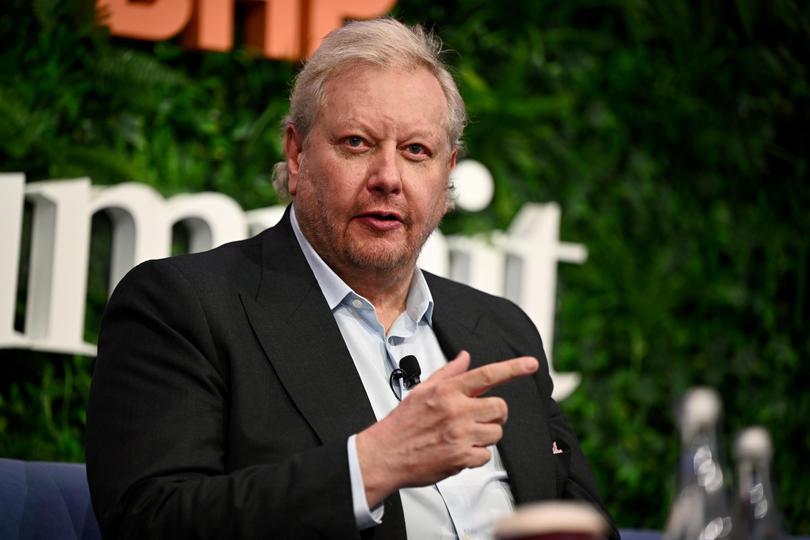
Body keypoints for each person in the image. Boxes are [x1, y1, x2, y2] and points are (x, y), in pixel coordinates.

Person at [86, 18, 619, 540]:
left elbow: (585, 521)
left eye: (416, 151)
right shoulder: (185, 306)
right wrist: (368, 468)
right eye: (357, 143)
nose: (388, 178)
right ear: (297, 154)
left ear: (447, 173)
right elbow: (149, 520)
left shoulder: (501, 331)